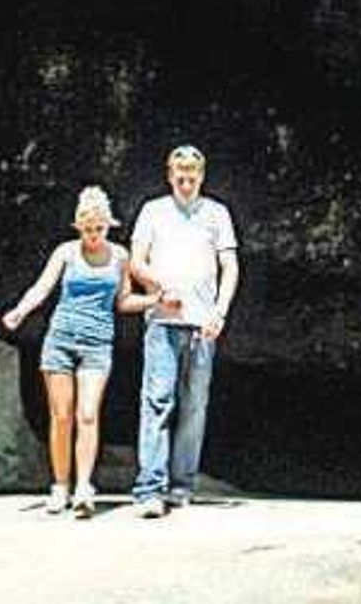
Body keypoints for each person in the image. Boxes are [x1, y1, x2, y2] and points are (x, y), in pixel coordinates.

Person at [0, 184, 140, 517]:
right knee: (61, 416)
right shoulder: (66, 252)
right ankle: (60, 486)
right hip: (60, 340)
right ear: (78, 227)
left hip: (97, 342)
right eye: (87, 229)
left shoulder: (119, 257)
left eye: (99, 229)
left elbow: (123, 300)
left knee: (87, 414)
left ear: (109, 225)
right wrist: (20, 311)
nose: (93, 235)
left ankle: (84, 487)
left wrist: (156, 300)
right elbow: (42, 287)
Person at [122, 142, 240, 518]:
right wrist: (159, 286)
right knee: (157, 400)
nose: (186, 181)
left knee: (194, 406)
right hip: (162, 320)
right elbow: (136, 261)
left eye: (192, 175)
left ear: (202, 176)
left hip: (202, 323)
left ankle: (181, 485)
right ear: (169, 175)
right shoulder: (153, 211)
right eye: (180, 175)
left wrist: (220, 312)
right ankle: (149, 488)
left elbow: (230, 266)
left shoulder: (217, 214)